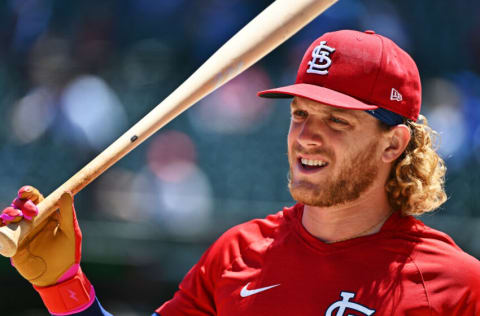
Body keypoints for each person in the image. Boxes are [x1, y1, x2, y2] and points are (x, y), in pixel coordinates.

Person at [2, 29, 480, 316]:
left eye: (337, 120)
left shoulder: (456, 286)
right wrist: (62, 286)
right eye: (299, 114)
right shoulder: (236, 254)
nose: (307, 136)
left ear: (393, 143)